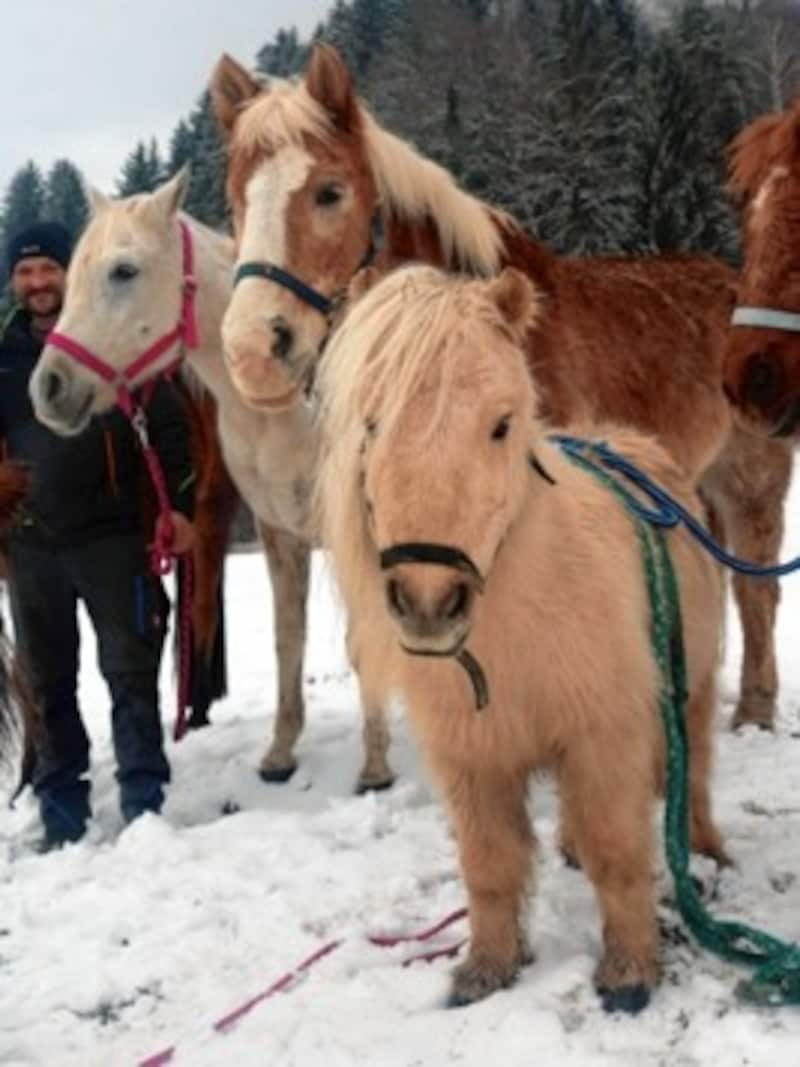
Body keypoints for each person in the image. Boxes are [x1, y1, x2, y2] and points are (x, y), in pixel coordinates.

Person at [0, 221, 196, 849]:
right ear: (12, 281)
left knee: (129, 669)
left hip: (112, 536)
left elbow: (171, 427)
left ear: (70, 272)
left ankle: (144, 797)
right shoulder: (1, 353)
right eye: (25, 272)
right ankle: (61, 803)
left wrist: (182, 508)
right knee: (47, 678)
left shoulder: (108, 336)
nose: (37, 283)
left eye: (48, 269)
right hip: (32, 543)